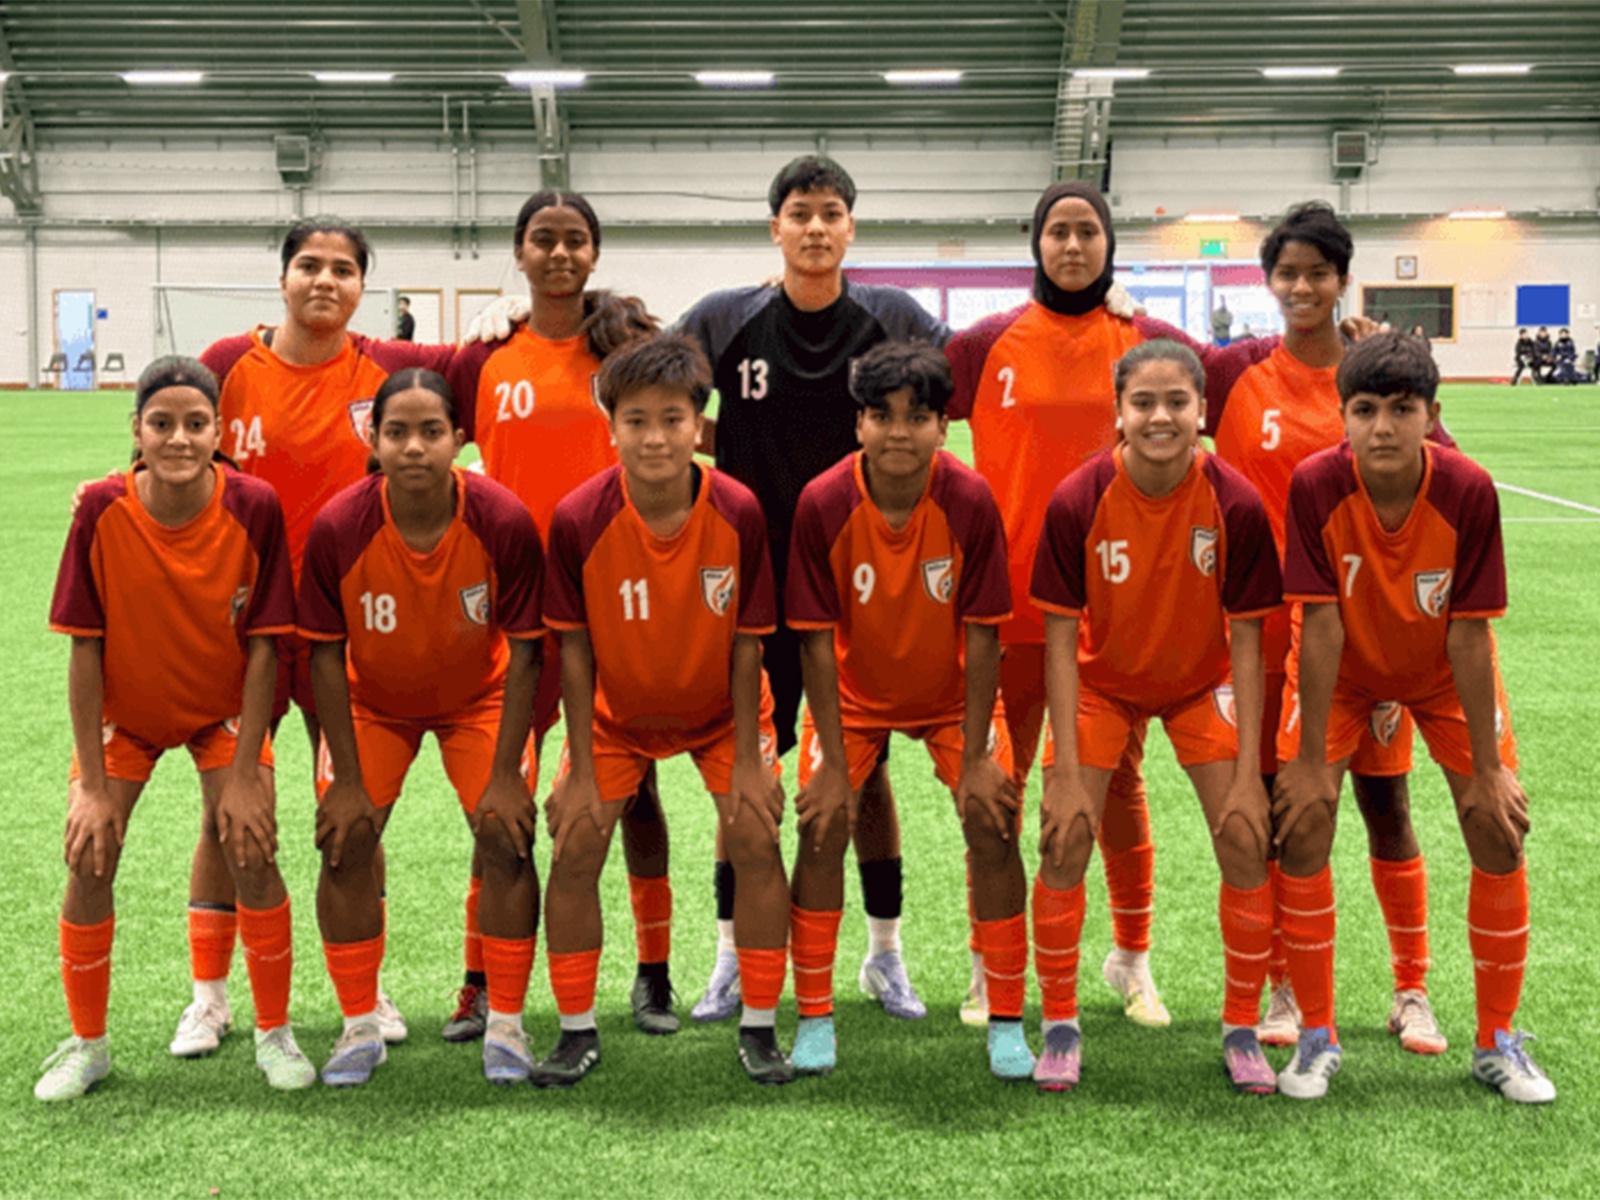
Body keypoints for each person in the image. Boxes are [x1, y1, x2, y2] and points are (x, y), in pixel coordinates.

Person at [173, 220, 486, 1059]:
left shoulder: (380, 371)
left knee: (353, 813)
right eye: (309, 265)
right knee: (227, 812)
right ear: (282, 278)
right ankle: (210, 997)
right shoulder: (229, 361)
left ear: (362, 288)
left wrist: (507, 316)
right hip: (244, 629)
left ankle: (367, 989)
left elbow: (484, 363)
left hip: (345, 633)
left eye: (343, 269)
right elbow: (172, 450)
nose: (325, 280)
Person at [676, 155, 949, 1024]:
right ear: (776, 228)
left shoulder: (895, 316)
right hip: (752, 580)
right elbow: (645, 378)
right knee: (746, 777)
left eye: (832, 212)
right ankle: (727, 959)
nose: (816, 227)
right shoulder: (727, 317)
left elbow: (946, 393)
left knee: (863, 775)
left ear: (852, 227)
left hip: (859, 582)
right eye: (801, 213)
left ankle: (884, 956)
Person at [945, 181, 1210, 1027]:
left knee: (1117, 790)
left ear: (1108, 244)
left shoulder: (1143, 339)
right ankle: (994, 963)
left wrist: (1351, 345)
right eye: (1056, 232)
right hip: (1010, 612)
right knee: (996, 791)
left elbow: (1239, 377)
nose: (1071, 246)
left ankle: (1130, 958)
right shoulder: (987, 342)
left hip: (1115, 617)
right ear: (1035, 245)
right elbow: (895, 394)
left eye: (1086, 231)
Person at [1272, 331, 1554, 1104]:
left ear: (1433, 415)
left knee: (1495, 824)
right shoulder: (1315, 485)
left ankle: (1497, 1040)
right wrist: (1306, 766)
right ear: (1343, 417)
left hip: (1439, 670)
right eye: (1365, 410)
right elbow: (1321, 623)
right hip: (1344, 668)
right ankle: (1318, 1036)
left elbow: (1470, 630)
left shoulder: (1468, 489)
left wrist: (1489, 773)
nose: (1384, 427)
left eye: (1403, 409)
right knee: (1303, 820)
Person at [1203, 201, 1449, 1055]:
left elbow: (1441, 471)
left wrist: (1397, 359)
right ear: (1269, 282)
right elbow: (1144, 375)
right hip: (1267, 634)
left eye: (1318, 271)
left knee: (1387, 802)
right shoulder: (1236, 373)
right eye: (1287, 272)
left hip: (1369, 634)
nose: (1302, 286)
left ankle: (1412, 987)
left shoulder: (1375, 375)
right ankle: (1281, 982)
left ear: (1343, 277)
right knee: (1283, 810)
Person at [37, 357, 311, 1101]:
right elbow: (83, 646)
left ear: (220, 432)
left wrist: (251, 770)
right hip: (126, 717)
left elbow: (263, 646)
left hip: (223, 708)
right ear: (137, 431)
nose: (180, 438)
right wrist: (91, 786)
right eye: (163, 424)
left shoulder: (254, 504)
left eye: (197, 424)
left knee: (251, 846)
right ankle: (88, 1046)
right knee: (90, 856)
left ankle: (273, 1033)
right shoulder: (100, 506)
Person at [446, 191, 672, 1043]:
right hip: (513, 610)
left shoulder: (628, 348)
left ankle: (653, 973)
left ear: (595, 253)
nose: (560, 254)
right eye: (544, 240)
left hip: (618, 600)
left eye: (576, 240)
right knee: (496, 801)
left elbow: (690, 424)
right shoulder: (485, 357)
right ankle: (479, 979)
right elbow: (397, 404)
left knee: (636, 789)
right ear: (519, 252)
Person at [1030, 340, 1282, 1094]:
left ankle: (1241, 1029)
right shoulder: (1080, 497)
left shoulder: (1234, 501)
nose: (1161, 416)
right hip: (1102, 684)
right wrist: (1068, 774)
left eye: (1177, 402)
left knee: (1244, 836)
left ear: (1203, 411)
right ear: (1119, 413)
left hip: (1201, 685)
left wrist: (1246, 777)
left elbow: (1247, 642)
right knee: (1064, 833)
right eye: (1143, 403)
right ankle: (1060, 1025)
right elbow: (1060, 638)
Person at [539, 332, 791, 1086]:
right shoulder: (579, 516)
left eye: (673, 419)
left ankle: (759, 1027)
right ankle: (576, 1030)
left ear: (699, 425)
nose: (655, 437)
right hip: (616, 716)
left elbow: (750, 643)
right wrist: (582, 766)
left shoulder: (738, 508)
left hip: (722, 714)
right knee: (576, 843)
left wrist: (748, 762)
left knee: (754, 836)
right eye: (637, 419)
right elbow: (575, 651)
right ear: (610, 424)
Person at [297, 368, 545, 1087]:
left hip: (481, 698)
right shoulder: (340, 526)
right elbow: (323, 654)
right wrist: (345, 779)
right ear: (371, 439)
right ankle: (356, 1027)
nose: (414, 447)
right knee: (344, 843)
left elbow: (528, 651)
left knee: (506, 833)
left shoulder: (500, 517)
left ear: (459, 439)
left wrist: (504, 775)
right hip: (372, 703)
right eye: (397, 432)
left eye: (431, 431)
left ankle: (506, 1024)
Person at [784, 341, 1023, 1080]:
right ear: (857, 423)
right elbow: (817, 643)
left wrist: (979, 756)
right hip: (853, 697)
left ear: (944, 427)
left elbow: (984, 631)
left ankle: (1007, 1017)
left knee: (994, 817)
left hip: (954, 696)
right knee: (823, 824)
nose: (898, 432)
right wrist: (828, 761)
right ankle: (816, 1014)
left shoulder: (970, 498)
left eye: (918, 417)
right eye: (881, 415)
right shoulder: (823, 502)